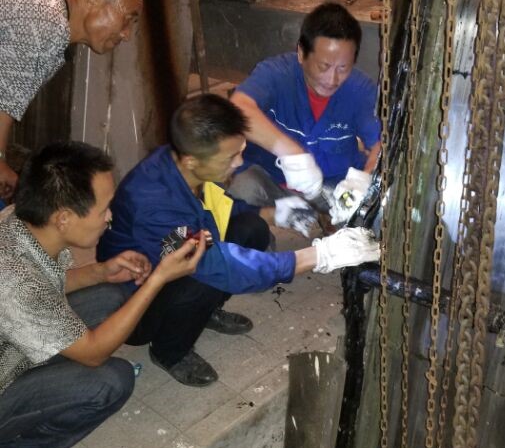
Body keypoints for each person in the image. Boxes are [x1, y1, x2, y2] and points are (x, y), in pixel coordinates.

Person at [98, 94, 380, 388]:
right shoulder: (152, 204)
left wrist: (274, 213)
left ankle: (205, 312)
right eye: (230, 158)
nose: (239, 162)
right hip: (135, 305)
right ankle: (169, 351)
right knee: (203, 276)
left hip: (179, 257)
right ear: (193, 160)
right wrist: (319, 255)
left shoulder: (185, 164)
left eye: (241, 150)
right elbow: (217, 264)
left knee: (252, 228)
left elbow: (213, 210)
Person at [0, 142, 205, 448]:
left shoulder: (21, 223)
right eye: (104, 209)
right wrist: (158, 278)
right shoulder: (15, 282)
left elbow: (48, 283)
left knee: (110, 297)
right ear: (64, 218)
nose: (110, 217)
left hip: (11, 346)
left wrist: (99, 272)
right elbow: (94, 353)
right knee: (111, 381)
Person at [0, 0, 144, 199]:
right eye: (128, 18)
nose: (127, 34)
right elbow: (3, 98)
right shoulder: (47, 17)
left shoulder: (51, 9)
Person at [228, 2, 382, 209]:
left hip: (332, 188)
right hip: (273, 183)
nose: (332, 79)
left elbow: (381, 144)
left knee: (371, 210)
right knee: (242, 190)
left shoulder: (359, 90)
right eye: (324, 66)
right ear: (301, 53)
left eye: (343, 68)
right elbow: (237, 108)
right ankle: (275, 217)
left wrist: (363, 181)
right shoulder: (277, 74)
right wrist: (291, 153)